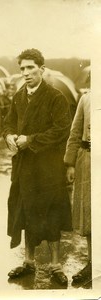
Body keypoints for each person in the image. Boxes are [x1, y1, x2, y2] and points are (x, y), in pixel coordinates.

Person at [3, 48, 72, 285]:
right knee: (25, 209)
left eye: (31, 67)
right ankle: (29, 262)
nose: (26, 72)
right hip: (24, 165)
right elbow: (8, 122)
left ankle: (55, 265)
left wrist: (30, 140)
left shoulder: (55, 97)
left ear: (41, 69)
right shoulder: (19, 96)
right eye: (22, 68)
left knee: (52, 212)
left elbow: (61, 129)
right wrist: (9, 136)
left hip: (49, 166)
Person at [64, 91, 91, 284]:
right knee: (89, 211)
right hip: (88, 159)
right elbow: (75, 132)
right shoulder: (86, 98)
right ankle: (93, 262)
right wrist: (70, 163)